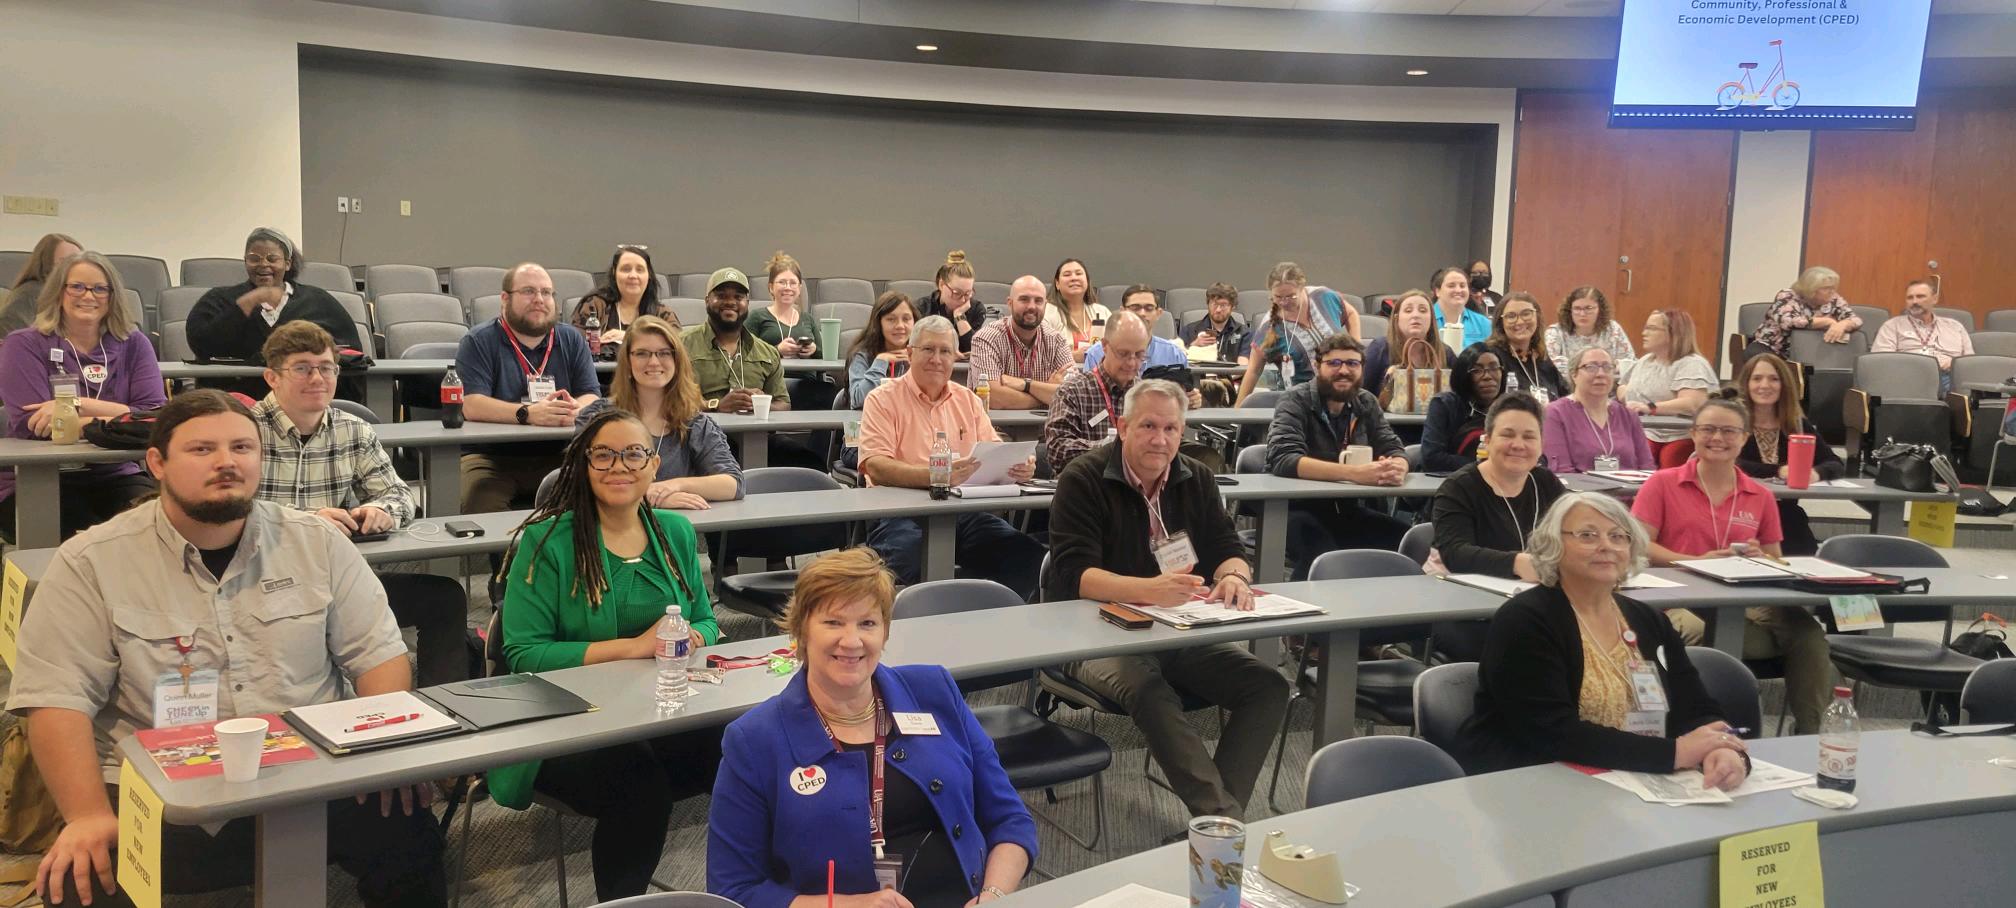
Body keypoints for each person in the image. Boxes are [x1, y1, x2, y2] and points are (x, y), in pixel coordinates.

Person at [9, 390, 446, 907]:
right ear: (157, 463)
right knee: (75, 880)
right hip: (158, 792)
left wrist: (382, 754)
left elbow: (378, 656)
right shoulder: (90, 561)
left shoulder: (319, 543)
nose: (226, 463)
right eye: (201, 450)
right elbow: (56, 699)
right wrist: (85, 815)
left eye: (243, 448)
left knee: (411, 828)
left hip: (313, 771)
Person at [709, 548, 1036, 908]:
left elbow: (1010, 819)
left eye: (867, 623)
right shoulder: (754, 740)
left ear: (885, 632)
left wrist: (993, 896)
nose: (852, 641)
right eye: (833, 622)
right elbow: (733, 891)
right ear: (801, 630)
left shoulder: (934, 691)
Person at [494, 408, 721, 903]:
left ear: (654, 465)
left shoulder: (674, 532)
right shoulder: (546, 541)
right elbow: (523, 654)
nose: (619, 465)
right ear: (583, 464)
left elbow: (707, 621)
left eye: (634, 453)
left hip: (657, 711)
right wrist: (636, 648)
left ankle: (747, 889)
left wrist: (688, 636)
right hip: (563, 724)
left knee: (744, 747)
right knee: (639, 787)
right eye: (603, 454)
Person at [1046, 379, 1290, 821]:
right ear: (1122, 427)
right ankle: (1220, 823)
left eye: (1172, 429)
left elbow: (1225, 545)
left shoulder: (1194, 477)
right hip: (1091, 633)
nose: (1160, 440)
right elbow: (1073, 577)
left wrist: (1234, 574)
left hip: (1175, 627)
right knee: (1149, 688)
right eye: (1148, 426)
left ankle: (1218, 822)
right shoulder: (1082, 478)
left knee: (1268, 685)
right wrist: (1147, 588)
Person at [1453, 492, 1750, 786]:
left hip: (1634, 775)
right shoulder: (1525, 620)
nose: (1606, 546)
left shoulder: (1648, 620)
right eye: (1587, 535)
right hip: (1534, 779)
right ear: (1553, 545)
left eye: (1618, 537)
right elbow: (1553, 733)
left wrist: (1723, 748)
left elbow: (1695, 703)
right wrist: (1676, 752)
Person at [252, 321, 467, 687]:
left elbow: (399, 495)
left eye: (326, 368)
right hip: (261, 584)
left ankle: (443, 712)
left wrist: (382, 510)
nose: (317, 378)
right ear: (272, 377)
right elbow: (231, 512)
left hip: (336, 579)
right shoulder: (244, 430)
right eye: (302, 368)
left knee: (445, 597)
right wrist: (307, 520)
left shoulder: (352, 429)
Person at [1630, 399, 1832, 734]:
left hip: (1745, 597)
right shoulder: (1662, 483)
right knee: (1700, 631)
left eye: (1728, 431)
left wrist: (1757, 558)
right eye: (1708, 429)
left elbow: (1774, 559)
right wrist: (1695, 562)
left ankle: (1811, 734)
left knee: (1809, 634)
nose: (1717, 438)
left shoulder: (1760, 495)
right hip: (1680, 596)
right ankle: (1705, 731)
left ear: (1744, 438)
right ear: (1693, 434)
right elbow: (1639, 546)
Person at [858, 316, 1045, 597]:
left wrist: (1019, 465)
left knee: (1026, 555)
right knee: (914, 564)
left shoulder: (968, 399)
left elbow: (993, 449)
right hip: (898, 514)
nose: (937, 359)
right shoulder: (882, 399)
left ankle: (988, 621)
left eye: (945, 351)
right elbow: (876, 466)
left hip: (963, 512)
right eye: (928, 350)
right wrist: (936, 477)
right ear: (910, 353)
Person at [0, 251, 164, 538]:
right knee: (88, 539)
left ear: (112, 296)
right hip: (36, 478)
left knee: (156, 524)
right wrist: (117, 419)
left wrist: (78, 405)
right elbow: (35, 426)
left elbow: (153, 418)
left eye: (100, 288)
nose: (88, 296)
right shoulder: (23, 344)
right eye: (77, 286)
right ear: (58, 292)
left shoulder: (134, 343)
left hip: (115, 472)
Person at [454, 262, 601, 513]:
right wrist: (528, 414)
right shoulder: (479, 341)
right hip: (492, 458)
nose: (539, 299)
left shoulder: (571, 339)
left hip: (561, 453)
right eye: (529, 291)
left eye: (546, 292)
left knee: (599, 494)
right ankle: (499, 555)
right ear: (504, 299)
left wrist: (575, 408)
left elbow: (592, 395)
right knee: (479, 500)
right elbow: (472, 404)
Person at [1264, 333, 1411, 579]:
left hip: (1347, 510)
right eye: (1334, 363)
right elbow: (1284, 459)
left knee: (1408, 540)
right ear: (1317, 366)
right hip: (1292, 510)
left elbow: (1394, 447)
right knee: (1322, 555)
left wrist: (1397, 467)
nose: (1343, 370)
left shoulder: (1366, 402)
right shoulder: (1295, 400)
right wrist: (1355, 474)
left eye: (1352, 363)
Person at [577, 315, 744, 509]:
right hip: (610, 530)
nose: (654, 362)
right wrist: (651, 499)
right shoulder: (597, 418)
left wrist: (673, 486)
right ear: (628, 362)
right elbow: (579, 484)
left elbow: (734, 484)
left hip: (673, 532)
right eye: (642, 354)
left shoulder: (693, 422)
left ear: (676, 361)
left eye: (664, 353)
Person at [186, 227, 362, 399]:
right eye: (254, 258)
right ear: (245, 262)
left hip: (305, 396)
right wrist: (246, 304)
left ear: (287, 263)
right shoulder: (219, 299)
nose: (263, 264)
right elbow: (201, 343)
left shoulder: (318, 300)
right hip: (237, 400)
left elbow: (350, 351)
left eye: (272, 258)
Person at [1431, 394, 1566, 581]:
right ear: (1487, 440)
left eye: (1529, 437)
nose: (1518, 445)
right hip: (1463, 595)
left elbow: (1572, 531)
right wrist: (1517, 563)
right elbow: (1455, 553)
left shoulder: (1546, 483)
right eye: (1507, 435)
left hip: (1534, 590)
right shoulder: (1458, 487)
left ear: (1542, 445)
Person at [1734, 353, 1843, 556]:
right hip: (1739, 513)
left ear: (1784, 385)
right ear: (1746, 384)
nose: (1765, 385)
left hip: (1784, 514)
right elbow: (1732, 463)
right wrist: (1778, 470)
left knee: (1800, 543)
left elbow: (1834, 463)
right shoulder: (1733, 421)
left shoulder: (1797, 424)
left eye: (1774, 379)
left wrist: (1815, 474)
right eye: (1757, 378)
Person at [1046, 310, 1155, 473]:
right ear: (1104, 346)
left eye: (1139, 355)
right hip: (1087, 485)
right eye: (1123, 354)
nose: (1132, 363)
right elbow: (1058, 450)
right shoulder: (1072, 391)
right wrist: (1113, 449)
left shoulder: (1147, 396)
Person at [1235, 262, 1357, 402]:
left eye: (1291, 296)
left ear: (1302, 289)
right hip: (1301, 400)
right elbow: (1254, 371)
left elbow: (1351, 313)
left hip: (1341, 389)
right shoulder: (1268, 327)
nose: (1284, 302)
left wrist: (1355, 348)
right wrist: (1239, 410)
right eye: (1278, 297)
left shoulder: (1323, 297)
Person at [682, 267, 791, 416]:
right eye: (721, 296)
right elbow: (668, 401)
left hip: (754, 436)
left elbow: (783, 404)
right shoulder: (682, 345)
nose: (730, 302)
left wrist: (760, 404)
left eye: (738, 297)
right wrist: (716, 405)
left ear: (747, 303)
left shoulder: (768, 353)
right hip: (697, 435)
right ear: (707, 301)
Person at [1620, 309, 1717, 468]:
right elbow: (1622, 385)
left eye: (1652, 328)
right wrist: (1627, 397)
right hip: (1647, 430)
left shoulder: (1692, 363)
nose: (1644, 333)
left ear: (1673, 333)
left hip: (1680, 433)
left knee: (1671, 458)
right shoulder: (1645, 361)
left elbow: (1691, 403)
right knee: (1630, 454)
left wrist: (1649, 407)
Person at [1542, 348, 1654, 473]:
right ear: (1574, 374)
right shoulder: (1555, 413)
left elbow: (1647, 467)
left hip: (1631, 491)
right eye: (1591, 367)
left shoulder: (1628, 416)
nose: (1601, 373)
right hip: (1579, 491)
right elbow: (1562, 470)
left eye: (1607, 367)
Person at [968, 275, 1072, 409]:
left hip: (1049, 427)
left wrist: (1026, 384)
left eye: (1038, 301)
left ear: (1045, 305)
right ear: (1010, 303)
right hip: (997, 427)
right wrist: (1046, 393)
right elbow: (992, 397)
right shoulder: (986, 338)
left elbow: (1073, 395)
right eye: (1024, 299)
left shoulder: (1057, 340)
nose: (1032, 306)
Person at [1871, 278, 1972, 394]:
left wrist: (1953, 363)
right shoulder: (1892, 326)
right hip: (1909, 378)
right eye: (1910, 298)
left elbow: (1969, 362)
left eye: (1920, 296)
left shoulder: (1955, 327)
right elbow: (1881, 361)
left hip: (1948, 377)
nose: (1914, 301)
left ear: (1935, 299)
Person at [571, 244, 667, 359]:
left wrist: (630, 337)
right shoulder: (594, 306)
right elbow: (575, 346)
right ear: (614, 273)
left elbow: (676, 346)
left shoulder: (661, 313)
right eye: (626, 269)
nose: (633, 275)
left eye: (640, 270)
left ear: (649, 275)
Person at [1747, 266, 1862, 360]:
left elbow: (1856, 320)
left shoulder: (1834, 299)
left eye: (1833, 287)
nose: (1832, 291)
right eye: (1826, 288)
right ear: (1811, 288)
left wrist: (1843, 324)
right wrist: (1827, 321)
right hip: (1774, 348)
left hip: (1809, 352)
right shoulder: (1787, 295)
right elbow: (1789, 322)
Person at [1419, 344, 1503, 472]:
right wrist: (1488, 465)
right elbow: (1431, 458)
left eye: (1494, 368)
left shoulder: (1510, 408)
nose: (1487, 376)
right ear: (1463, 376)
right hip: (1451, 483)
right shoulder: (1444, 405)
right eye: (1477, 370)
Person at [1362, 289, 1453, 403]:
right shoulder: (1380, 348)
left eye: (1423, 310)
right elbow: (1361, 394)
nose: (1416, 315)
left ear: (1431, 319)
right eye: (1408, 310)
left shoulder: (1445, 352)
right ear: (1396, 318)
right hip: (1388, 419)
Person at [1084, 286, 1188, 373]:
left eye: (1149, 308)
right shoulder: (1097, 353)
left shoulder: (1174, 354)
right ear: (1122, 311)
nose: (1142, 313)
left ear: (1158, 313)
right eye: (1135, 307)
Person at [1485, 291, 1567, 401]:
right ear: (1500, 323)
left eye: (1526, 314)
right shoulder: (1492, 357)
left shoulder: (1541, 358)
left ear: (1537, 317)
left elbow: (1566, 397)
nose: (1519, 321)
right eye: (1511, 316)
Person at [0, 231, 82, 340]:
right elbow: (7, 338)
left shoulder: (84, 296)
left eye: (79, 262)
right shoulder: (30, 294)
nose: (75, 268)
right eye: (65, 262)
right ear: (46, 264)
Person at [845, 291, 918, 409]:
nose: (900, 325)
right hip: (871, 422)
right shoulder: (863, 355)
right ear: (879, 323)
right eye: (891, 319)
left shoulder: (919, 354)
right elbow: (858, 400)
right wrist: (880, 362)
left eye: (906, 319)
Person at [1544, 286, 1635, 379]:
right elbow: (1549, 367)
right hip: (1568, 389)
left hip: (1608, 387)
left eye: (1588, 308)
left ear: (1600, 309)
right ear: (1569, 310)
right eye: (1577, 308)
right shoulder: (1555, 332)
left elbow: (1629, 364)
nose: (1582, 314)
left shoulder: (1613, 329)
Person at [744, 250, 819, 358]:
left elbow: (824, 356)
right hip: (771, 374)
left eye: (793, 283)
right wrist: (777, 350)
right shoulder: (757, 317)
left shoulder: (808, 319)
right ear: (771, 287)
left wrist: (814, 349)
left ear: (799, 288)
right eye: (782, 282)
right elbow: (744, 353)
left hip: (806, 375)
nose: (788, 287)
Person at [912, 249, 987, 355]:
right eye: (956, 293)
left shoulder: (977, 309)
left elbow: (974, 351)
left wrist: (960, 316)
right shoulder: (921, 308)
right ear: (941, 285)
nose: (962, 300)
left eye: (968, 293)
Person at [1042, 257, 1109, 356]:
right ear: (1057, 284)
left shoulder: (1102, 311)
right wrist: (1073, 356)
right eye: (1067, 275)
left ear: (1087, 281)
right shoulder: (1047, 312)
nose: (1074, 278)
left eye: (1078, 273)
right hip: (1063, 370)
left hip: (1098, 369)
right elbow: (1041, 352)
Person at [1179, 282, 1249, 364]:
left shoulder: (1244, 333)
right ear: (1208, 304)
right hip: (1198, 376)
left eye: (1223, 305)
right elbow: (1177, 362)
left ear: (1232, 306)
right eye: (1214, 304)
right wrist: (1194, 346)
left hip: (1232, 376)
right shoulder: (1188, 330)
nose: (1218, 310)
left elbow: (1243, 366)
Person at [1430, 266, 1491, 351]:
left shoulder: (1484, 324)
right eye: (1451, 286)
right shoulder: (1426, 319)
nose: (1458, 290)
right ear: (1437, 291)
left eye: (1462, 286)